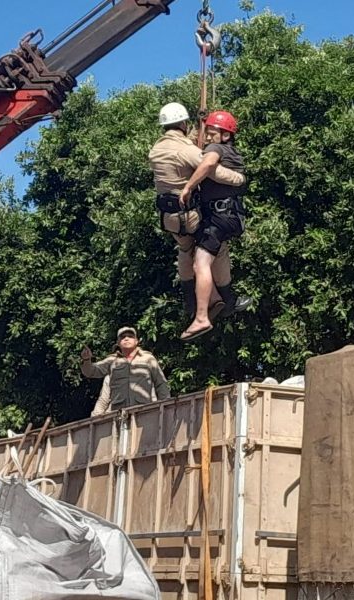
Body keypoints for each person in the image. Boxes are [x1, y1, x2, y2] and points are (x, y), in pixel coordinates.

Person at [148, 102, 248, 322]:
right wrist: (238, 178)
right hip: (190, 214)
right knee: (216, 249)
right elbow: (211, 169)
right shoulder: (186, 150)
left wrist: (200, 124)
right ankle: (227, 300)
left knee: (185, 250)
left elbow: (185, 146)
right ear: (182, 123)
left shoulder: (156, 150)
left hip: (169, 217)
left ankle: (191, 301)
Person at [178, 110, 251, 341]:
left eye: (212, 132)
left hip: (220, 215)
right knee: (210, 255)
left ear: (225, 136)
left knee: (200, 261)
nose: (208, 137)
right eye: (206, 133)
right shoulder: (232, 152)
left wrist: (189, 186)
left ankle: (201, 317)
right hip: (230, 215)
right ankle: (225, 299)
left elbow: (208, 163)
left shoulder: (215, 149)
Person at [81, 326, 170, 413]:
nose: (126, 339)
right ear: (118, 343)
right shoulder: (112, 361)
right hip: (118, 413)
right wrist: (86, 360)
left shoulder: (148, 359)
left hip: (144, 412)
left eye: (130, 336)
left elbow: (161, 384)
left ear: (136, 341)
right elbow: (91, 372)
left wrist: (165, 407)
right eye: (123, 337)